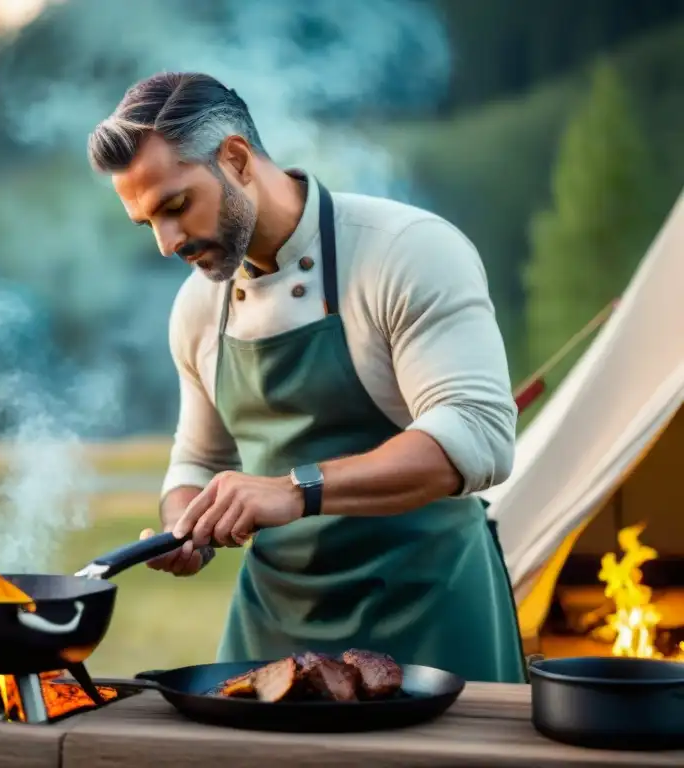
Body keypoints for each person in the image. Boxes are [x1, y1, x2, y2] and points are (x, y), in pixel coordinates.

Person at [86, 72, 526, 684]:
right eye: (148, 223)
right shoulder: (196, 307)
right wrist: (185, 525)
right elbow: (197, 460)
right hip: (273, 634)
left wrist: (295, 491)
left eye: (177, 206)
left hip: (430, 617)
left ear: (236, 159)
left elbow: (478, 435)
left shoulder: (407, 251)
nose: (167, 243)